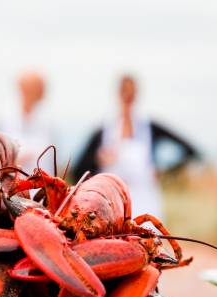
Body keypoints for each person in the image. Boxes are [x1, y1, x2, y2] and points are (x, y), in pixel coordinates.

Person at [73, 75, 199, 217]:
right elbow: (79, 169)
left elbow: (191, 150)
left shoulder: (151, 128)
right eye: (124, 92)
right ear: (118, 94)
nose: (127, 97)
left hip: (146, 202)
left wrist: (164, 171)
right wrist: (97, 161)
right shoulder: (103, 131)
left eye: (131, 92)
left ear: (137, 94)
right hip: (112, 204)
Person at [0, 70, 54, 173]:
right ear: (24, 89)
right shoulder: (0, 119)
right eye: (38, 88)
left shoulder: (48, 122)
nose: (43, 92)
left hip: (42, 186)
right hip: (6, 185)